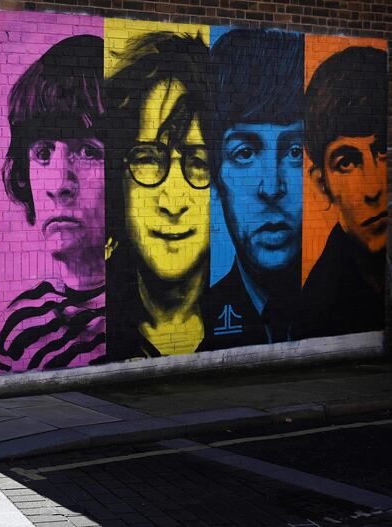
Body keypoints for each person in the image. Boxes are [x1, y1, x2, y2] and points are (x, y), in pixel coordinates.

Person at [0, 35, 106, 372]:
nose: (59, 185)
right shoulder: (20, 326)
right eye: (42, 154)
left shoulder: (149, 318)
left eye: (87, 152)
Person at [105, 31, 212, 359]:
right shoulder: (87, 325)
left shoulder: (258, 314)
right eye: (148, 160)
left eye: (198, 163)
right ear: (119, 181)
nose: (173, 201)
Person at [205, 29, 304, 349]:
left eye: (295, 152)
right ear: (216, 178)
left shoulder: (343, 302)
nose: (272, 187)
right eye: (244, 153)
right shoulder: (198, 324)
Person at [300, 46, 387, 337]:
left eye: (383, 152)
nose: (373, 188)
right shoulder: (320, 307)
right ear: (321, 185)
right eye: (347, 162)